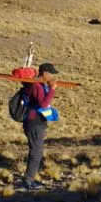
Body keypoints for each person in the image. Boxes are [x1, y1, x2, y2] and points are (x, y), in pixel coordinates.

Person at [22, 62, 60, 190]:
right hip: (34, 123)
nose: (53, 77)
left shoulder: (40, 85)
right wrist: (52, 90)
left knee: (36, 151)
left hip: (37, 122)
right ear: (45, 74)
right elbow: (43, 104)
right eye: (52, 74)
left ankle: (30, 179)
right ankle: (28, 181)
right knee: (36, 152)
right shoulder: (37, 86)